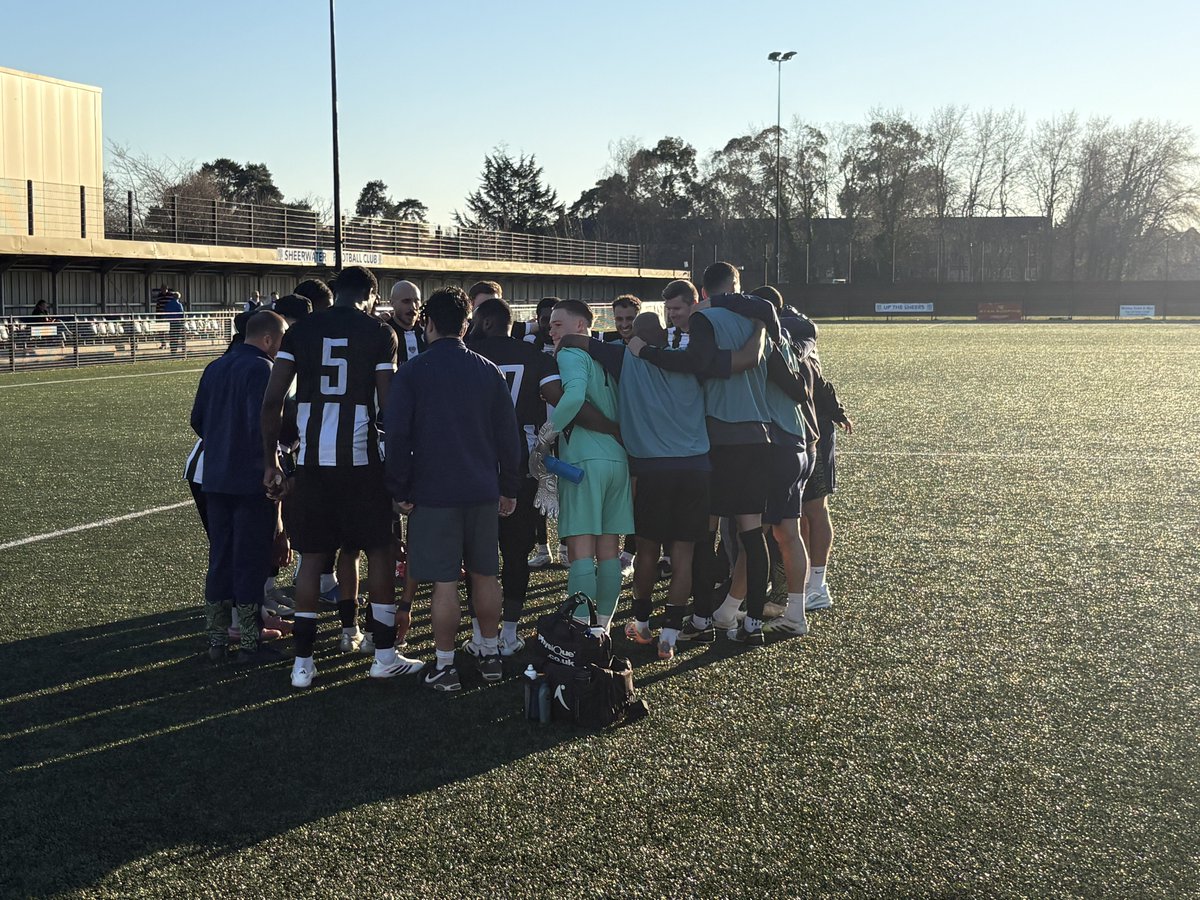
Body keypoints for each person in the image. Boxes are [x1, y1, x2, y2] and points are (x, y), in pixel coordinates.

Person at [261, 265, 422, 689]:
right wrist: (401, 465)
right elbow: (389, 406)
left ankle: (302, 664)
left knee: (313, 558)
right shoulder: (379, 332)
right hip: (361, 462)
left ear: (336, 292)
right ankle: (383, 656)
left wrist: (271, 461)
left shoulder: (301, 330)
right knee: (381, 551)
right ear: (371, 295)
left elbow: (273, 400)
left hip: (313, 464)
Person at [628, 261, 773, 645]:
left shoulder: (704, 322)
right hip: (759, 437)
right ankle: (753, 623)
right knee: (752, 533)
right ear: (736, 286)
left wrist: (645, 351)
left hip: (718, 439)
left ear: (703, 294)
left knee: (703, 535)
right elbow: (758, 362)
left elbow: (696, 363)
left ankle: (702, 617)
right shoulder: (757, 323)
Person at [385, 286, 522, 692]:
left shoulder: (412, 371)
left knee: (445, 582)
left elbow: (397, 437)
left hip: (434, 490)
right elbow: (509, 437)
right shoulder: (488, 370)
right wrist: (509, 486)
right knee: (485, 574)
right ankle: (491, 653)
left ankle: (445, 666)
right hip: (481, 488)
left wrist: (399, 486)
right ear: (465, 325)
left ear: (427, 323)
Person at [191, 310, 289, 663]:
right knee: (250, 560)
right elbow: (265, 424)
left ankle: (217, 640)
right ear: (268, 339)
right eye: (282, 339)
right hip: (250, 478)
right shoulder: (264, 369)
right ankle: (250, 642)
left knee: (220, 558)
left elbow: (197, 419)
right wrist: (272, 464)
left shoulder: (214, 367)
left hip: (215, 477)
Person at [466, 297, 561, 656]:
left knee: (478, 556)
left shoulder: (468, 354)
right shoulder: (534, 355)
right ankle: (508, 633)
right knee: (516, 552)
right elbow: (559, 400)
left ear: (487, 322)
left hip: (474, 462)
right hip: (522, 463)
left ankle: (480, 634)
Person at [615, 312, 711, 660]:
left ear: (636, 336)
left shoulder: (626, 358)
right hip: (695, 466)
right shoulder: (687, 361)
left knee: (647, 551)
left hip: (652, 469)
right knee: (683, 554)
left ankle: (642, 624)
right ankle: (669, 635)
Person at [540, 299, 634, 633]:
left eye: (558, 324)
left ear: (581, 326)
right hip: (618, 460)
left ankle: (581, 629)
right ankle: (602, 628)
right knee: (609, 552)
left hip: (584, 461)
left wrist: (546, 436)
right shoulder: (610, 357)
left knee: (581, 551)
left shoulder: (570, 353)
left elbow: (575, 396)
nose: (551, 331)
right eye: (550, 325)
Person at [802, 328, 853, 612]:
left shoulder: (796, 330)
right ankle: (804, 580)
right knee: (796, 513)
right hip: (794, 432)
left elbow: (818, 381)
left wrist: (836, 411)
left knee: (814, 508)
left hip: (814, 432)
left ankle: (818, 585)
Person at [388, 281, 425, 363]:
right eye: (406, 301)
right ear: (392, 303)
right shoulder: (384, 334)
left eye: (416, 301)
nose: (413, 307)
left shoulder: (428, 334)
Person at [661, 279, 696, 349]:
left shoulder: (706, 336)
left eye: (676, 308)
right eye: (668, 309)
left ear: (694, 305)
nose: (671, 315)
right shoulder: (663, 336)